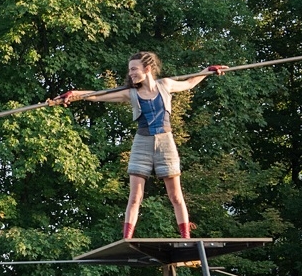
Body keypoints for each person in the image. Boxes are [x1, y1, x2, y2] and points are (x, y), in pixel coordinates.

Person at [51, 52, 226, 239]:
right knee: (135, 197)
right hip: (142, 142)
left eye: (134, 69)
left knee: (175, 196)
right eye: (130, 70)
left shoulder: (165, 85)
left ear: (147, 69)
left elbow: (189, 83)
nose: (131, 73)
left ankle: (186, 238)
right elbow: (97, 96)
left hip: (166, 142)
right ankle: (127, 238)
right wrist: (74, 94)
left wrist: (207, 71)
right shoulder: (131, 93)